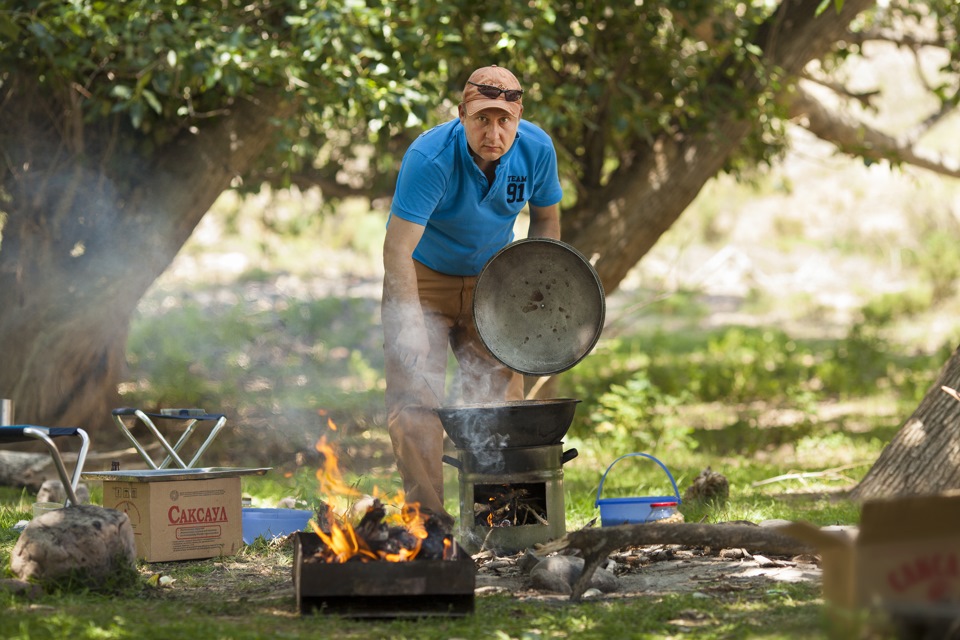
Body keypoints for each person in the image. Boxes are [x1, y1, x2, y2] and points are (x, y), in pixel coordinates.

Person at [381, 65, 563, 526]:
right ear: (462, 115)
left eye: (504, 121)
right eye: (482, 119)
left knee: (500, 397)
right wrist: (409, 325)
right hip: (424, 278)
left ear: (519, 119)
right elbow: (397, 247)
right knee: (417, 401)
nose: (493, 132)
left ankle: (501, 519)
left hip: (493, 280)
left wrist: (537, 294)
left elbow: (546, 221)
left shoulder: (537, 150)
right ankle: (431, 526)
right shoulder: (430, 157)